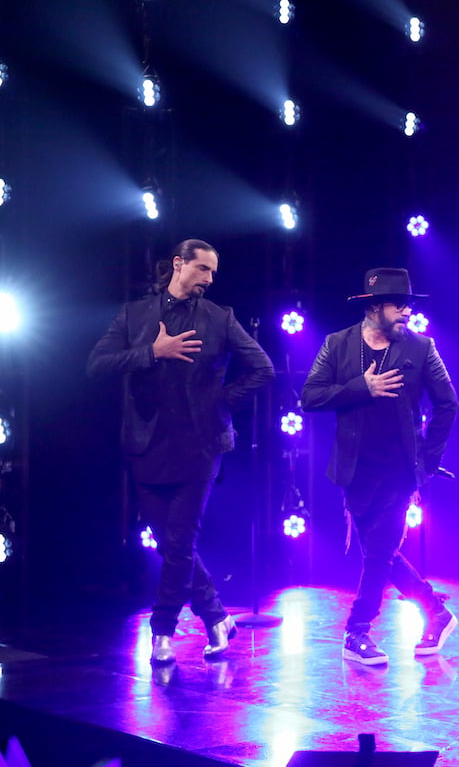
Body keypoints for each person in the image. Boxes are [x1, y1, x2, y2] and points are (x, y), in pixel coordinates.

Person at [87, 239, 274, 665]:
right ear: (178, 264)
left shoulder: (219, 318)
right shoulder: (134, 315)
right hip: (146, 444)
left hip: (201, 445)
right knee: (170, 544)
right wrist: (152, 352)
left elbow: (263, 367)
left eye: (213, 273)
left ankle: (163, 632)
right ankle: (216, 615)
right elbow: (96, 364)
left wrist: (222, 401)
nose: (208, 280)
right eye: (202, 269)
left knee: (180, 539)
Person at [301, 268, 459, 666]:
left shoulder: (421, 349)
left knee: (378, 553)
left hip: (400, 472)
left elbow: (448, 404)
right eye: (398, 304)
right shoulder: (338, 345)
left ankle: (357, 631)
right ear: (374, 307)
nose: (406, 311)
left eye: (408, 303)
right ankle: (435, 611)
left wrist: (429, 460)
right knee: (378, 552)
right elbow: (310, 396)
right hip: (355, 471)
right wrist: (361, 388)